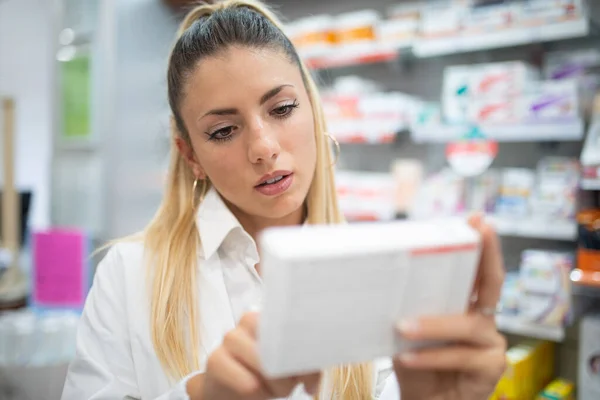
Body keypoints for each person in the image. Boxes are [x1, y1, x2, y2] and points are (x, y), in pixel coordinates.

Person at [61, 1, 507, 399]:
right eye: (223, 131)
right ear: (191, 154)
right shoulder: (129, 274)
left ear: (313, 108)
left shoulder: (377, 271)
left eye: (282, 109)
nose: (263, 147)